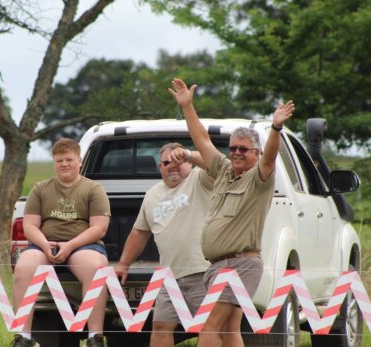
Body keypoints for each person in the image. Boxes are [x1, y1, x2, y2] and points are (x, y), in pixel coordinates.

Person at [169, 78, 295, 347]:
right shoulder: (224, 170)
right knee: (228, 329)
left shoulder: (259, 177)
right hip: (219, 265)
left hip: (239, 264)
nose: (236, 153)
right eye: (233, 148)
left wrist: (275, 127)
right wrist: (187, 107)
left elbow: (271, 156)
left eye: (243, 149)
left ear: (256, 153)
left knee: (208, 327)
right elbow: (201, 139)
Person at [12, 138, 111, 347]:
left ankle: (95, 337)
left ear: (80, 161)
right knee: (23, 268)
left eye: (69, 159)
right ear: (54, 162)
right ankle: (24, 337)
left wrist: (70, 245)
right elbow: (30, 226)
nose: (64, 164)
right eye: (59, 160)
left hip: (83, 245)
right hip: (44, 244)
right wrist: (46, 245)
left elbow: (99, 228)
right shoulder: (40, 189)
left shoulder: (94, 189)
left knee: (96, 268)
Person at [115, 142, 213, 347]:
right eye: (167, 162)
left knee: (208, 328)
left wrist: (188, 154)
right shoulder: (152, 194)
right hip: (169, 276)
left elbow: (214, 162)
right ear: (160, 166)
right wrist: (123, 264)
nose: (173, 165)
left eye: (179, 160)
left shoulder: (200, 179)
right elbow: (139, 232)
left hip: (202, 271)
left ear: (189, 163)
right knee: (160, 328)